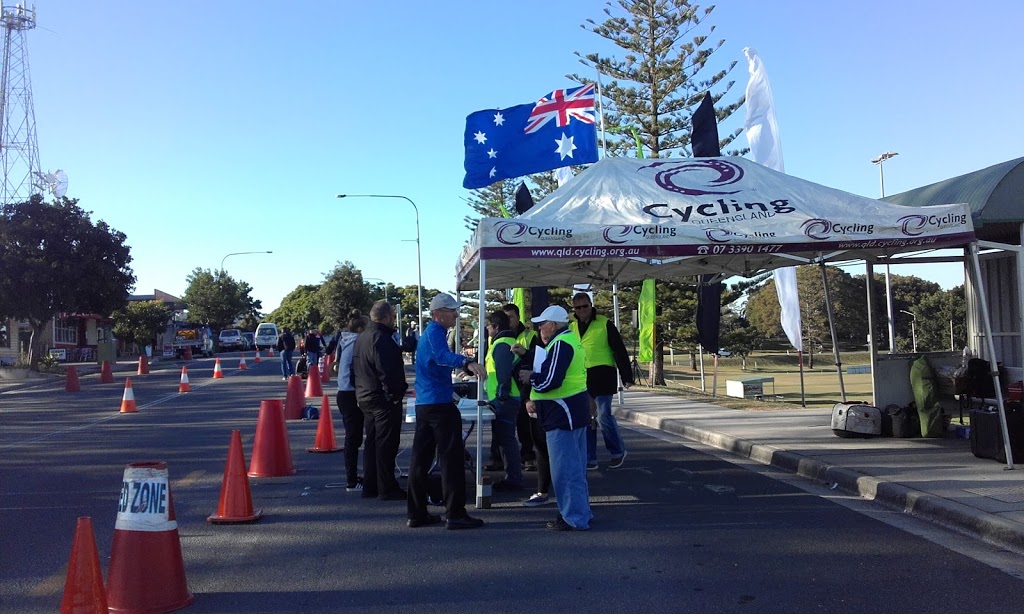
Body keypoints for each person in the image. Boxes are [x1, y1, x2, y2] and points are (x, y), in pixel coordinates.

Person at [407, 293, 486, 530]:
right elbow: (441, 357)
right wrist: (467, 362)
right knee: (450, 460)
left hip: (428, 403)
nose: (456, 314)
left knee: (420, 461)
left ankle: (417, 513)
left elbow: (438, 361)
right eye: (452, 311)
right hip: (438, 405)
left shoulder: (432, 333)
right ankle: (455, 513)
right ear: (437, 314)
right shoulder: (434, 333)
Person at [517, 305, 592, 531]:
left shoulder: (560, 344)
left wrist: (531, 377)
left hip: (562, 414)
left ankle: (573, 517)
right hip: (571, 411)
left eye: (543, 323)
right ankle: (580, 513)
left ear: (554, 325)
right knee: (575, 469)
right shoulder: (569, 340)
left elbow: (551, 381)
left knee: (565, 470)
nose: (540, 328)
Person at [570, 292, 634, 470]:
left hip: (603, 375)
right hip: (581, 378)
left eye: (585, 306)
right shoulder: (572, 326)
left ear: (591, 305)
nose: (582, 310)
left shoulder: (605, 323)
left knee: (603, 415)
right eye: (578, 307)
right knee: (586, 418)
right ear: (574, 309)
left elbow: (619, 350)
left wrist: (626, 376)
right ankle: (590, 457)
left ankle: (617, 451)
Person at [352, 301, 408, 501]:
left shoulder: (362, 338)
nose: (394, 320)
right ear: (386, 317)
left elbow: (355, 369)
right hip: (382, 398)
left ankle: (371, 484)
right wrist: (395, 395)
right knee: (387, 443)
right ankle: (387, 487)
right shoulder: (382, 339)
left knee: (372, 442)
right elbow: (388, 372)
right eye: (392, 316)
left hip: (364, 395)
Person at [484, 310, 524, 491]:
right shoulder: (506, 341)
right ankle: (512, 476)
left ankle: (514, 478)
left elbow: (503, 372)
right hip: (505, 397)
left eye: (488, 325)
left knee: (506, 439)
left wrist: (502, 393)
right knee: (503, 438)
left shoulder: (500, 344)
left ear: (496, 327)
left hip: (504, 398)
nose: (486, 328)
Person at [505, 303, 540, 472]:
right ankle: (498, 458)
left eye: (511, 316)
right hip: (504, 386)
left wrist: (524, 352)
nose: (508, 320)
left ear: (518, 317)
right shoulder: (495, 335)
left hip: (524, 385)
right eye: (505, 317)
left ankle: (528, 456)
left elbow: (537, 358)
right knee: (502, 426)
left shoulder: (530, 335)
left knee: (525, 425)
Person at [335, 311, 368, 492]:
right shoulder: (357, 342)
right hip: (351, 393)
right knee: (353, 438)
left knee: (353, 438)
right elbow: (356, 370)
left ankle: (353, 477)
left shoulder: (344, 341)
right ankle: (351, 480)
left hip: (343, 392)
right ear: (360, 329)